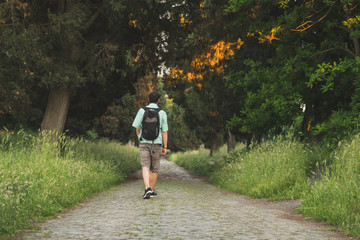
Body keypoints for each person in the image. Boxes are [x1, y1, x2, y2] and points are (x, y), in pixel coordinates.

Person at [132, 91, 168, 199]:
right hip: (156, 143)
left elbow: (137, 128)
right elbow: (164, 132)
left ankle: (147, 188)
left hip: (144, 142)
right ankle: (151, 190)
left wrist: (140, 138)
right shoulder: (162, 113)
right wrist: (165, 147)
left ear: (148, 99)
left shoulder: (142, 111)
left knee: (145, 166)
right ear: (158, 100)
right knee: (154, 168)